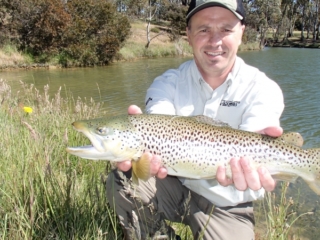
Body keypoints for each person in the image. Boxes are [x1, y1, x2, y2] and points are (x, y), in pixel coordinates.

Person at [106, 0, 284, 239]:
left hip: (228, 205)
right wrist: (143, 137)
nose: (214, 40)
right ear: (188, 35)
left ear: (241, 32)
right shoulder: (166, 84)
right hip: (175, 186)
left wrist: (257, 163)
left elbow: (257, 136)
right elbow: (161, 123)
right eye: (203, 29)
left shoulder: (264, 89)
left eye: (226, 29)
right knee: (122, 179)